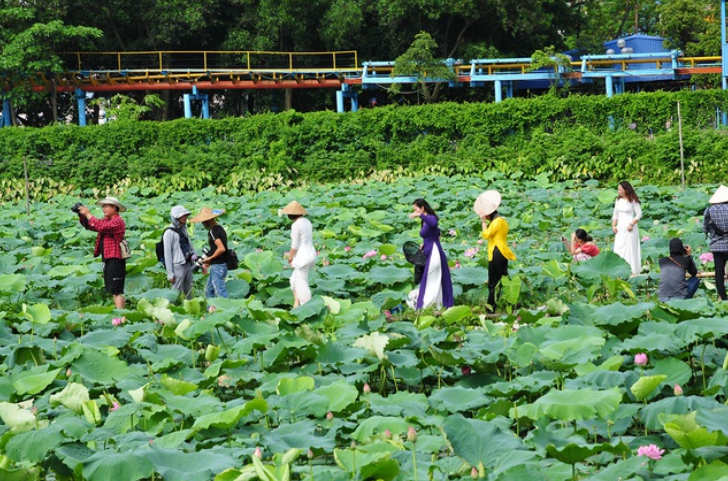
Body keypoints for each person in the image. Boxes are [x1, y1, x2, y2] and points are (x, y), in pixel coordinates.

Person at [78, 196, 128, 309]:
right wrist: (82, 215)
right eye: (103, 206)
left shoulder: (117, 221)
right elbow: (91, 225)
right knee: (112, 289)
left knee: (117, 289)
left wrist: (89, 213)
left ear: (115, 208)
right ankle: (119, 316)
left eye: (106, 206)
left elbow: (101, 227)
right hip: (108, 258)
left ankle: (122, 316)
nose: (103, 208)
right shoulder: (106, 220)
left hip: (116, 259)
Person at [406, 198, 454, 310]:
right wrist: (423, 243)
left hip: (434, 252)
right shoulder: (424, 221)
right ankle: (436, 303)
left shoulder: (430, 218)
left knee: (430, 276)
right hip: (428, 249)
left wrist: (420, 215)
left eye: (416, 209)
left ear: (422, 208)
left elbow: (433, 223)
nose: (415, 211)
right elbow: (435, 233)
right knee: (432, 277)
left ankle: (427, 304)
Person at [475, 190, 516, 312]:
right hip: (503, 252)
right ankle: (509, 304)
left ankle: (491, 307)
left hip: (496, 252)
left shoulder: (496, 222)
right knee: (504, 278)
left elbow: (486, 235)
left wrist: (483, 222)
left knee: (493, 281)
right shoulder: (502, 221)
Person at [281, 201, 317, 307]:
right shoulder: (307, 221)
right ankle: (296, 305)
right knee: (293, 281)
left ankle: (307, 307)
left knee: (302, 284)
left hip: (302, 257)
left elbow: (295, 245)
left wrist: (291, 257)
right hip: (310, 253)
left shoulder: (296, 225)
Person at [190, 207, 228, 298]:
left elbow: (221, 248)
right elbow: (216, 249)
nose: (202, 223)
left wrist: (209, 258)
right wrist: (208, 262)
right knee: (208, 290)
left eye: (203, 221)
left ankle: (226, 310)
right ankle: (210, 310)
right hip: (221, 264)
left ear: (209, 220)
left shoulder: (213, 232)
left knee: (220, 292)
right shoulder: (220, 228)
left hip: (218, 266)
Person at [164, 205, 197, 299]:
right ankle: (168, 308)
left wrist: (196, 257)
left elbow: (189, 245)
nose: (185, 217)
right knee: (176, 289)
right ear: (176, 217)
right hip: (178, 265)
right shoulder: (169, 232)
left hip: (187, 263)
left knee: (189, 288)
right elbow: (167, 254)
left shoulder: (184, 229)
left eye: (186, 215)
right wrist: (170, 272)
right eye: (183, 215)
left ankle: (191, 309)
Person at [703, 184, 728, 301]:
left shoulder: (708, 211)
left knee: (719, 274)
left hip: (717, 247)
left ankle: (724, 298)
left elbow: (704, 229)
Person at [612, 181, 642, 275]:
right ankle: (619, 270)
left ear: (625, 189)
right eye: (618, 189)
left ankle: (632, 270)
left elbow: (639, 214)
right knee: (619, 248)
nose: (618, 191)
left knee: (630, 249)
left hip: (630, 227)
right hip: (620, 227)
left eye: (620, 189)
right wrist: (613, 225)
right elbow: (615, 214)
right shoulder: (618, 200)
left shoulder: (632, 200)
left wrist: (631, 224)